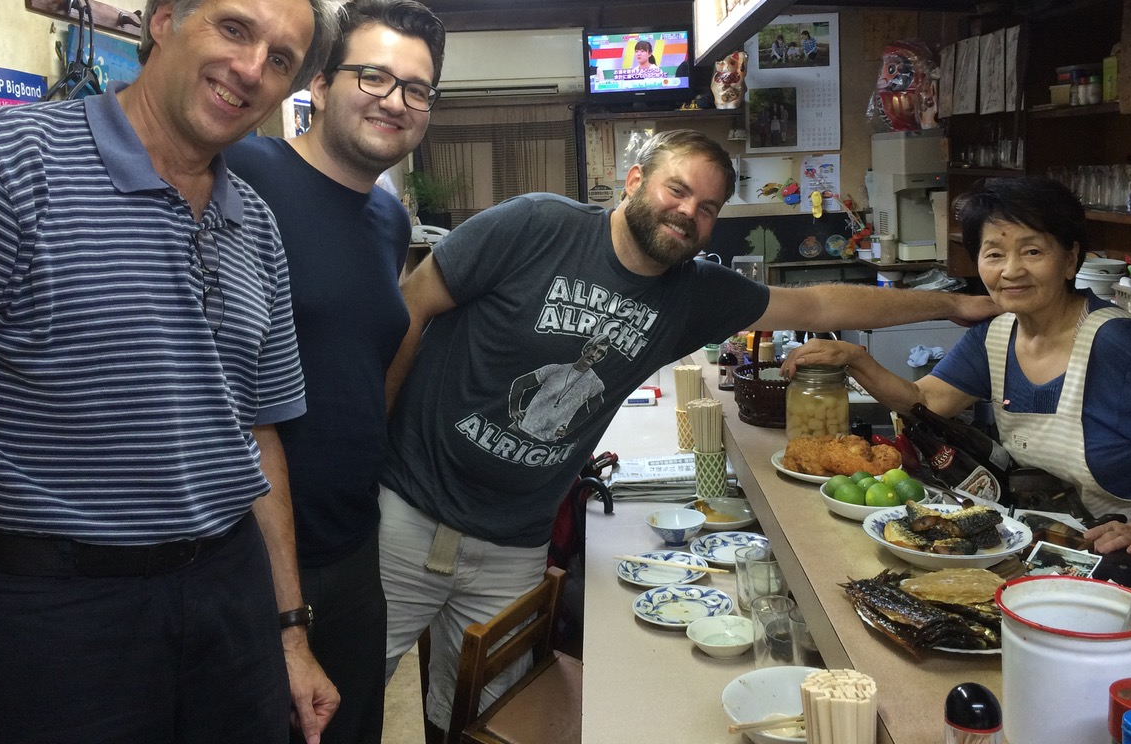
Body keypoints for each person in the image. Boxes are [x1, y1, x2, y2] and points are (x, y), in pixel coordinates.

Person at [379, 129, 1001, 731]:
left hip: (514, 543)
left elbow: (819, 304)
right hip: (405, 508)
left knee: (482, 712)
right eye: (675, 191)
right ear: (633, 181)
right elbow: (411, 304)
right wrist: (368, 449)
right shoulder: (536, 224)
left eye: (706, 209)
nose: (687, 213)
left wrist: (953, 303)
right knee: (340, 692)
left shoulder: (692, 295)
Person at [0, 0, 342, 744]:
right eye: (233, 29)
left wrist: (290, 631)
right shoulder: (1, 160)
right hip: (56, 611)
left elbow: (258, 438)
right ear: (164, 19)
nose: (250, 67)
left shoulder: (255, 224)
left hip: (228, 600)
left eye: (281, 58)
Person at [785, 177, 1131, 582]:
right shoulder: (997, 336)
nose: (1011, 270)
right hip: (1109, 554)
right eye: (994, 253)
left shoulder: (1124, 345)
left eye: (1032, 251)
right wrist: (856, 359)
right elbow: (924, 399)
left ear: (1070, 259)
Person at [227, 0, 446, 744]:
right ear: (316, 85)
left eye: (417, 88)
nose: (396, 101)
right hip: (248, 555)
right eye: (373, 77)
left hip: (353, 548)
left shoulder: (389, 218)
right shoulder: (243, 172)